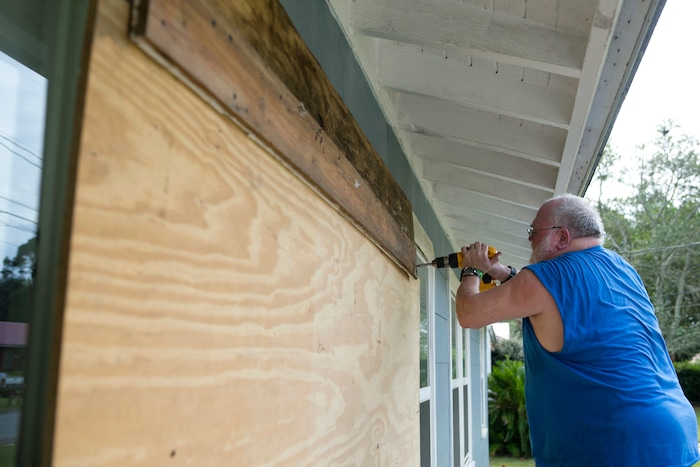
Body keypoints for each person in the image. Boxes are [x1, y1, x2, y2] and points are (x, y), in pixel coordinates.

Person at [456, 193, 700, 467]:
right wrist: (502, 273)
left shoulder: (547, 276)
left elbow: (469, 314)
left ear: (561, 237)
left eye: (533, 232)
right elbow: (558, 301)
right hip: (671, 430)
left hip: (612, 443)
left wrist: (472, 270)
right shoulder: (623, 269)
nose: (529, 239)